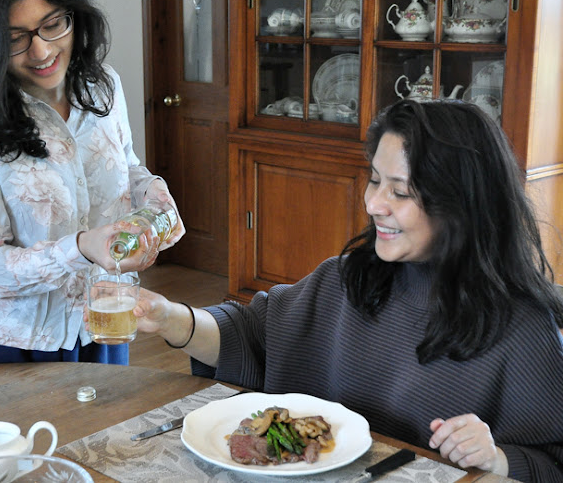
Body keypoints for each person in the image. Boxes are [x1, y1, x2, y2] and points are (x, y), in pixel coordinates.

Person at [126, 100, 563, 481]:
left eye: (400, 191)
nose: (374, 203)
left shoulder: (522, 329)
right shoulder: (349, 279)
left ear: (462, 204)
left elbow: (552, 463)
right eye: (375, 180)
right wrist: (169, 318)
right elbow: (251, 336)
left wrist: (496, 458)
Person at [0, 0, 185, 367]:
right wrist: (81, 248)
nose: (42, 52)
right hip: (7, 344)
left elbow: (125, 166)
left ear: (74, 14)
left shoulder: (102, 87)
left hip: (102, 324)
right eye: (14, 39)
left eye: (53, 25)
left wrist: (153, 195)